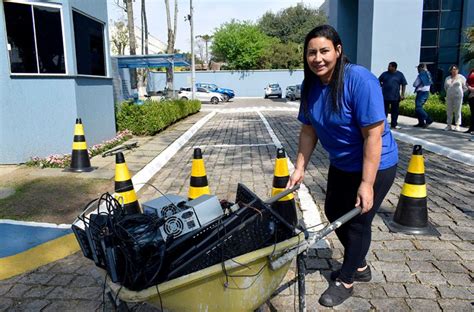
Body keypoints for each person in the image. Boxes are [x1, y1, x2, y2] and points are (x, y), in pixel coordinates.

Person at [287, 25, 398, 307]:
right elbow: (308, 130)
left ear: (338, 51)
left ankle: (347, 278)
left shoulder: (359, 80)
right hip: (341, 163)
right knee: (334, 210)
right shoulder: (310, 84)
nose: (318, 58)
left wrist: (367, 184)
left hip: (375, 163)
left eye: (324, 50)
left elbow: (373, 135)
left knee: (359, 221)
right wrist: (299, 167)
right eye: (311, 52)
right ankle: (359, 264)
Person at [378, 61, 407, 129]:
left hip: (395, 97)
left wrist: (402, 94)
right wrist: (381, 85)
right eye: (388, 66)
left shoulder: (400, 75)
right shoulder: (384, 74)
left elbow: (404, 84)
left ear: (394, 67)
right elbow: (378, 81)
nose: (388, 67)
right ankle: (383, 124)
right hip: (385, 96)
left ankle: (394, 124)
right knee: (384, 112)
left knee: (395, 112)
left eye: (390, 66)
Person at [444, 65, 468, 132]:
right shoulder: (447, 78)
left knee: (457, 110)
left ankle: (457, 125)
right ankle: (449, 125)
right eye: (452, 69)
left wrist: (460, 92)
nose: (454, 71)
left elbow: (465, 87)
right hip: (449, 96)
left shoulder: (461, 77)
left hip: (458, 96)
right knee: (449, 110)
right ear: (450, 70)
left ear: (458, 70)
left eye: (455, 69)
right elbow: (445, 87)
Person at [412, 64, 434, 128]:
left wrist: (414, 84)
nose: (417, 70)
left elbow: (415, 84)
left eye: (418, 68)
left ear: (422, 68)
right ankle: (421, 122)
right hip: (426, 92)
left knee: (418, 108)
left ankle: (428, 119)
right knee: (419, 108)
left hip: (421, 92)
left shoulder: (422, 74)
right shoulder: (428, 74)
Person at [466, 68, 474, 133]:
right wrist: (469, 87)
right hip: (470, 94)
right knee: (472, 112)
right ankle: (471, 129)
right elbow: (467, 81)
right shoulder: (471, 71)